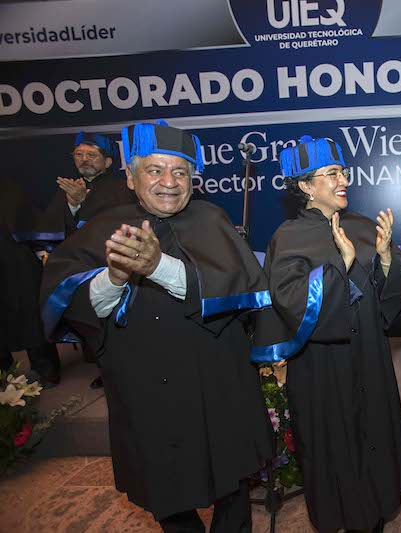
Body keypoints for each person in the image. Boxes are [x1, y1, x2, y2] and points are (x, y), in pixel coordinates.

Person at [40, 122, 274, 532]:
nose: (170, 182)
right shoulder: (101, 227)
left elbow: (243, 291)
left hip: (217, 385)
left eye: (180, 172)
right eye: (155, 170)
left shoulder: (212, 220)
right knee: (165, 492)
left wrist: (159, 267)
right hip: (145, 392)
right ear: (130, 177)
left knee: (231, 488)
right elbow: (69, 302)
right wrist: (112, 277)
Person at [251, 135, 401, 533]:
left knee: (372, 433)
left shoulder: (360, 224)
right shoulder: (287, 237)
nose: (343, 180)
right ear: (305, 185)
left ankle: (373, 513)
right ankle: (340, 514)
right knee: (332, 443)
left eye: (343, 171)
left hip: (369, 354)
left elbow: (391, 301)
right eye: (331, 174)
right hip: (322, 365)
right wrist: (338, 266)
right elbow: (290, 303)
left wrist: (388, 259)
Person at [42, 131, 135, 388]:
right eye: (79, 155)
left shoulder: (121, 188)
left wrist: (86, 203)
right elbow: (55, 229)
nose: (85, 160)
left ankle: (120, 370)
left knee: (115, 325)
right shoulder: (67, 189)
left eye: (92, 155)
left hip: (110, 267)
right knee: (90, 322)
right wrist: (72, 205)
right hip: (81, 269)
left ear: (107, 162)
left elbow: (116, 224)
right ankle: (105, 370)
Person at [0, 178, 60, 387]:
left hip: (16, 266)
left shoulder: (10, 191)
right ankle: (5, 376)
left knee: (30, 316)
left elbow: (31, 225)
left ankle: (45, 368)